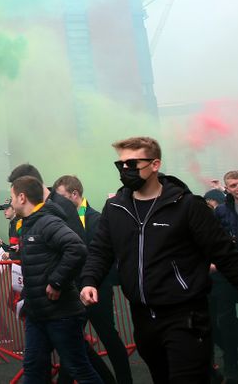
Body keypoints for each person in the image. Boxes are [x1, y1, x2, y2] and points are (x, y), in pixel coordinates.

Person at [81, 136, 238, 383]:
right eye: (120, 165)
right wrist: (89, 280)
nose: (125, 170)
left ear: (155, 164)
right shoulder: (115, 208)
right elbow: (100, 250)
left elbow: (225, 254)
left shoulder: (187, 205)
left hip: (185, 315)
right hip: (143, 318)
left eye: (132, 164)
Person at [9, 176, 102, 384]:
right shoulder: (28, 224)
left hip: (61, 314)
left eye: (12, 197)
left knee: (79, 369)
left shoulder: (46, 222)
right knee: (32, 368)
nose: (11, 202)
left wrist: (57, 281)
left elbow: (77, 248)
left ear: (22, 197)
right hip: (37, 313)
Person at [53, 174, 132, 384]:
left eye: (61, 197)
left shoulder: (96, 219)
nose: (58, 202)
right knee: (74, 342)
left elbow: (99, 256)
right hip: (74, 290)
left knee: (108, 337)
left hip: (97, 290)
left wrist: (91, 283)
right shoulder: (63, 220)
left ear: (74, 194)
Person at [211, 170, 238, 382]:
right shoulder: (220, 211)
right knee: (225, 321)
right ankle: (231, 365)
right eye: (233, 185)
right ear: (227, 188)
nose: (237, 188)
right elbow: (212, 238)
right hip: (227, 272)